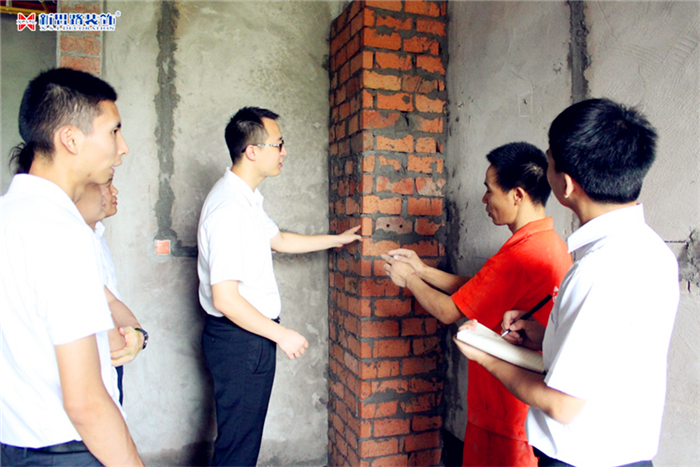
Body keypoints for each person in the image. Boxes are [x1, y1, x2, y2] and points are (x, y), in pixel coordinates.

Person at [454, 98, 679, 467]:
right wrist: (549, 338)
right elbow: (611, 357)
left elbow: (562, 405)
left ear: (566, 184)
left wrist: (486, 355)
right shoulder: (653, 251)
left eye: (550, 163)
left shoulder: (597, 269)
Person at [383, 142, 572, 467]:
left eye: (489, 190)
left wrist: (409, 279)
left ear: (517, 195)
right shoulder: (549, 244)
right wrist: (423, 270)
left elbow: (448, 311)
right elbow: (482, 290)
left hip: (504, 409)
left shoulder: (519, 255)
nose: (484, 199)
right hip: (527, 409)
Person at [197, 106, 361, 466]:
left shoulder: (245, 199)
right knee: (238, 448)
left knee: (242, 439)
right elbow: (225, 298)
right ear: (252, 151)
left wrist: (336, 240)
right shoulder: (229, 210)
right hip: (241, 339)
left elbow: (280, 240)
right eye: (279, 144)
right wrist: (281, 334)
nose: (284, 152)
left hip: (247, 337)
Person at [0, 68, 143, 466]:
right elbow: (85, 403)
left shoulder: (8, 216)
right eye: (114, 131)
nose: (123, 147)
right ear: (70, 139)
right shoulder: (63, 233)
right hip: (67, 451)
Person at [75, 177, 147, 405]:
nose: (114, 191)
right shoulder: (68, 244)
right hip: (88, 364)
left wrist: (137, 333)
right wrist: (127, 340)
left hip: (110, 361)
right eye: (107, 184)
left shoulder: (97, 238)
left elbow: (111, 300)